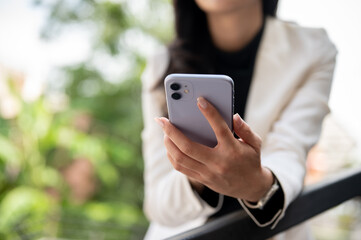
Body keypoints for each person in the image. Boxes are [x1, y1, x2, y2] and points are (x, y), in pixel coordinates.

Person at [141, 0, 337, 239]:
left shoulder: (312, 50)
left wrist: (257, 183)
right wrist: (197, 175)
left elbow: (290, 153)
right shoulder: (161, 64)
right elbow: (158, 204)